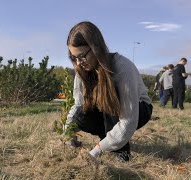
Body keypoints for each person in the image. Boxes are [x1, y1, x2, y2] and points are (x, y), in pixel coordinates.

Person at [65, 21, 153, 162]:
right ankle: (110, 138)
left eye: (82, 56)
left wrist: (96, 151)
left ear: (96, 48)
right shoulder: (81, 69)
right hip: (108, 108)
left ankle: (120, 152)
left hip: (138, 109)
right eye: (74, 57)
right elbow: (78, 105)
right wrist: (68, 133)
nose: (78, 63)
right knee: (81, 113)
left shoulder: (122, 67)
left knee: (108, 95)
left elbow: (129, 120)